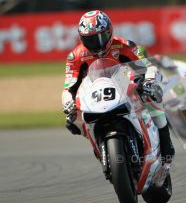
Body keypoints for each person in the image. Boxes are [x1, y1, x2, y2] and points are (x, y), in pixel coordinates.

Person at [61, 10, 175, 163]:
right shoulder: (75, 56)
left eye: (99, 37)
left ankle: (165, 142)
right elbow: (69, 87)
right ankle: (99, 148)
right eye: (90, 40)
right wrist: (68, 104)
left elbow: (149, 67)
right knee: (73, 121)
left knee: (152, 96)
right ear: (81, 38)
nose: (96, 44)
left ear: (109, 32)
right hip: (94, 94)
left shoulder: (124, 45)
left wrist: (148, 81)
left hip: (125, 86)